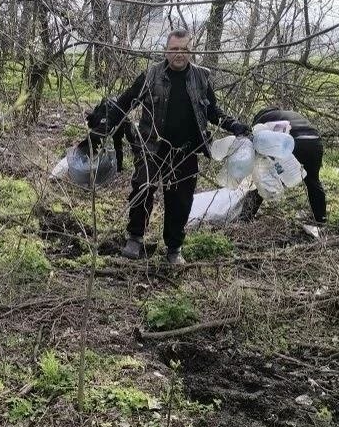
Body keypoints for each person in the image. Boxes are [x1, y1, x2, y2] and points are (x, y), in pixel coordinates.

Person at [104, 29, 248, 266]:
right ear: (166, 51)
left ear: (191, 51)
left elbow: (212, 111)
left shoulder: (201, 77)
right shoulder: (151, 75)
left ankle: (174, 248)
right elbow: (126, 102)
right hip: (152, 147)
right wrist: (106, 124)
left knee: (181, 201)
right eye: (174, 49)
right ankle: (135, 238)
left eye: (184, 49)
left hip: (186, 151)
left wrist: (233, 125)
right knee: (142, 190)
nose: (179, 54)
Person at [241, 107, 327, 224]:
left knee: (263, 177)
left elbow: (256, 150)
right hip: (315, 142)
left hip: (293, 141)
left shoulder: (262, 121)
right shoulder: (287, 115)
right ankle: (321, 219)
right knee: (313, 180)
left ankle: (245, 217)